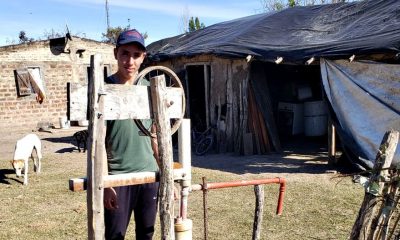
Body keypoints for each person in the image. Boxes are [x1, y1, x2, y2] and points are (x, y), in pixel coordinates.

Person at [103, 29, 160, 240]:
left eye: (136, 55)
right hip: (118, 180)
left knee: (146, 234)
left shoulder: (151, 90)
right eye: (125, 53)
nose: (130, 61)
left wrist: (165, 176)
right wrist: (107, 185)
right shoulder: (104, 90)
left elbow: (156, 138)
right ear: (115, 53)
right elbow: (98, 145)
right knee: (115, 235)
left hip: (149, 177)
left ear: (143, 57)